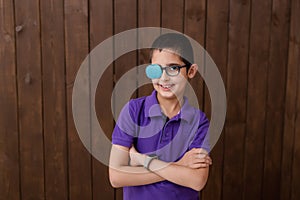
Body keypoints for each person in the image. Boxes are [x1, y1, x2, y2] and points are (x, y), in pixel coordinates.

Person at [109, 33, 212, 200]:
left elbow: (197, 180)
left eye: (173, 68)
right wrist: (179, 166)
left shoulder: (198, 121)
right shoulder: (134, 111)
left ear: (191, 71)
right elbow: (116, 176)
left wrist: (141, 160)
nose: (163, 78)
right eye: (156, 69)